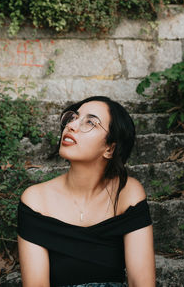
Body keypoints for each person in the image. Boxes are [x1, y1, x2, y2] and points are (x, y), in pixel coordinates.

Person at [17, 96, 156, 287]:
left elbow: (141, 282)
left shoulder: (127, 193)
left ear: (110, 148)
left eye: (90, 122)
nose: (72, 126)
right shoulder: (36, 200)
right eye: (73, 117)